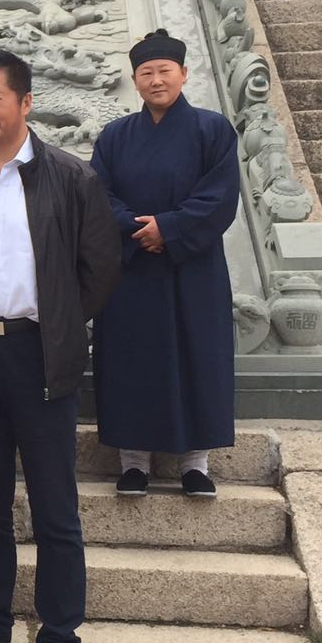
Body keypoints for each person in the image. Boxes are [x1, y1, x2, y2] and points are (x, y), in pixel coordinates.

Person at [0, 50, 120, 643]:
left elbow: (100, 268)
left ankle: (60, 640)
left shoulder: (70, 176)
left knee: (55, 511)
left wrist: (60, 324)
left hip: (39, 356)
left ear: (25, 102)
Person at [91, 31, 240, 499]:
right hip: (132, 266)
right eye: (146, 73)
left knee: (197, 355)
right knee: (131, 358)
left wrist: (170, 228)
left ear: (183, 74)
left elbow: (220, 196)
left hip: (192, 266)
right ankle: (133, 462)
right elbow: (98, 194)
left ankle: (195, 463)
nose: (156, 80)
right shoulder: (115, 136)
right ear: (135, 80)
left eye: (164, 71)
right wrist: (139, 229)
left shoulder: (213, 129)